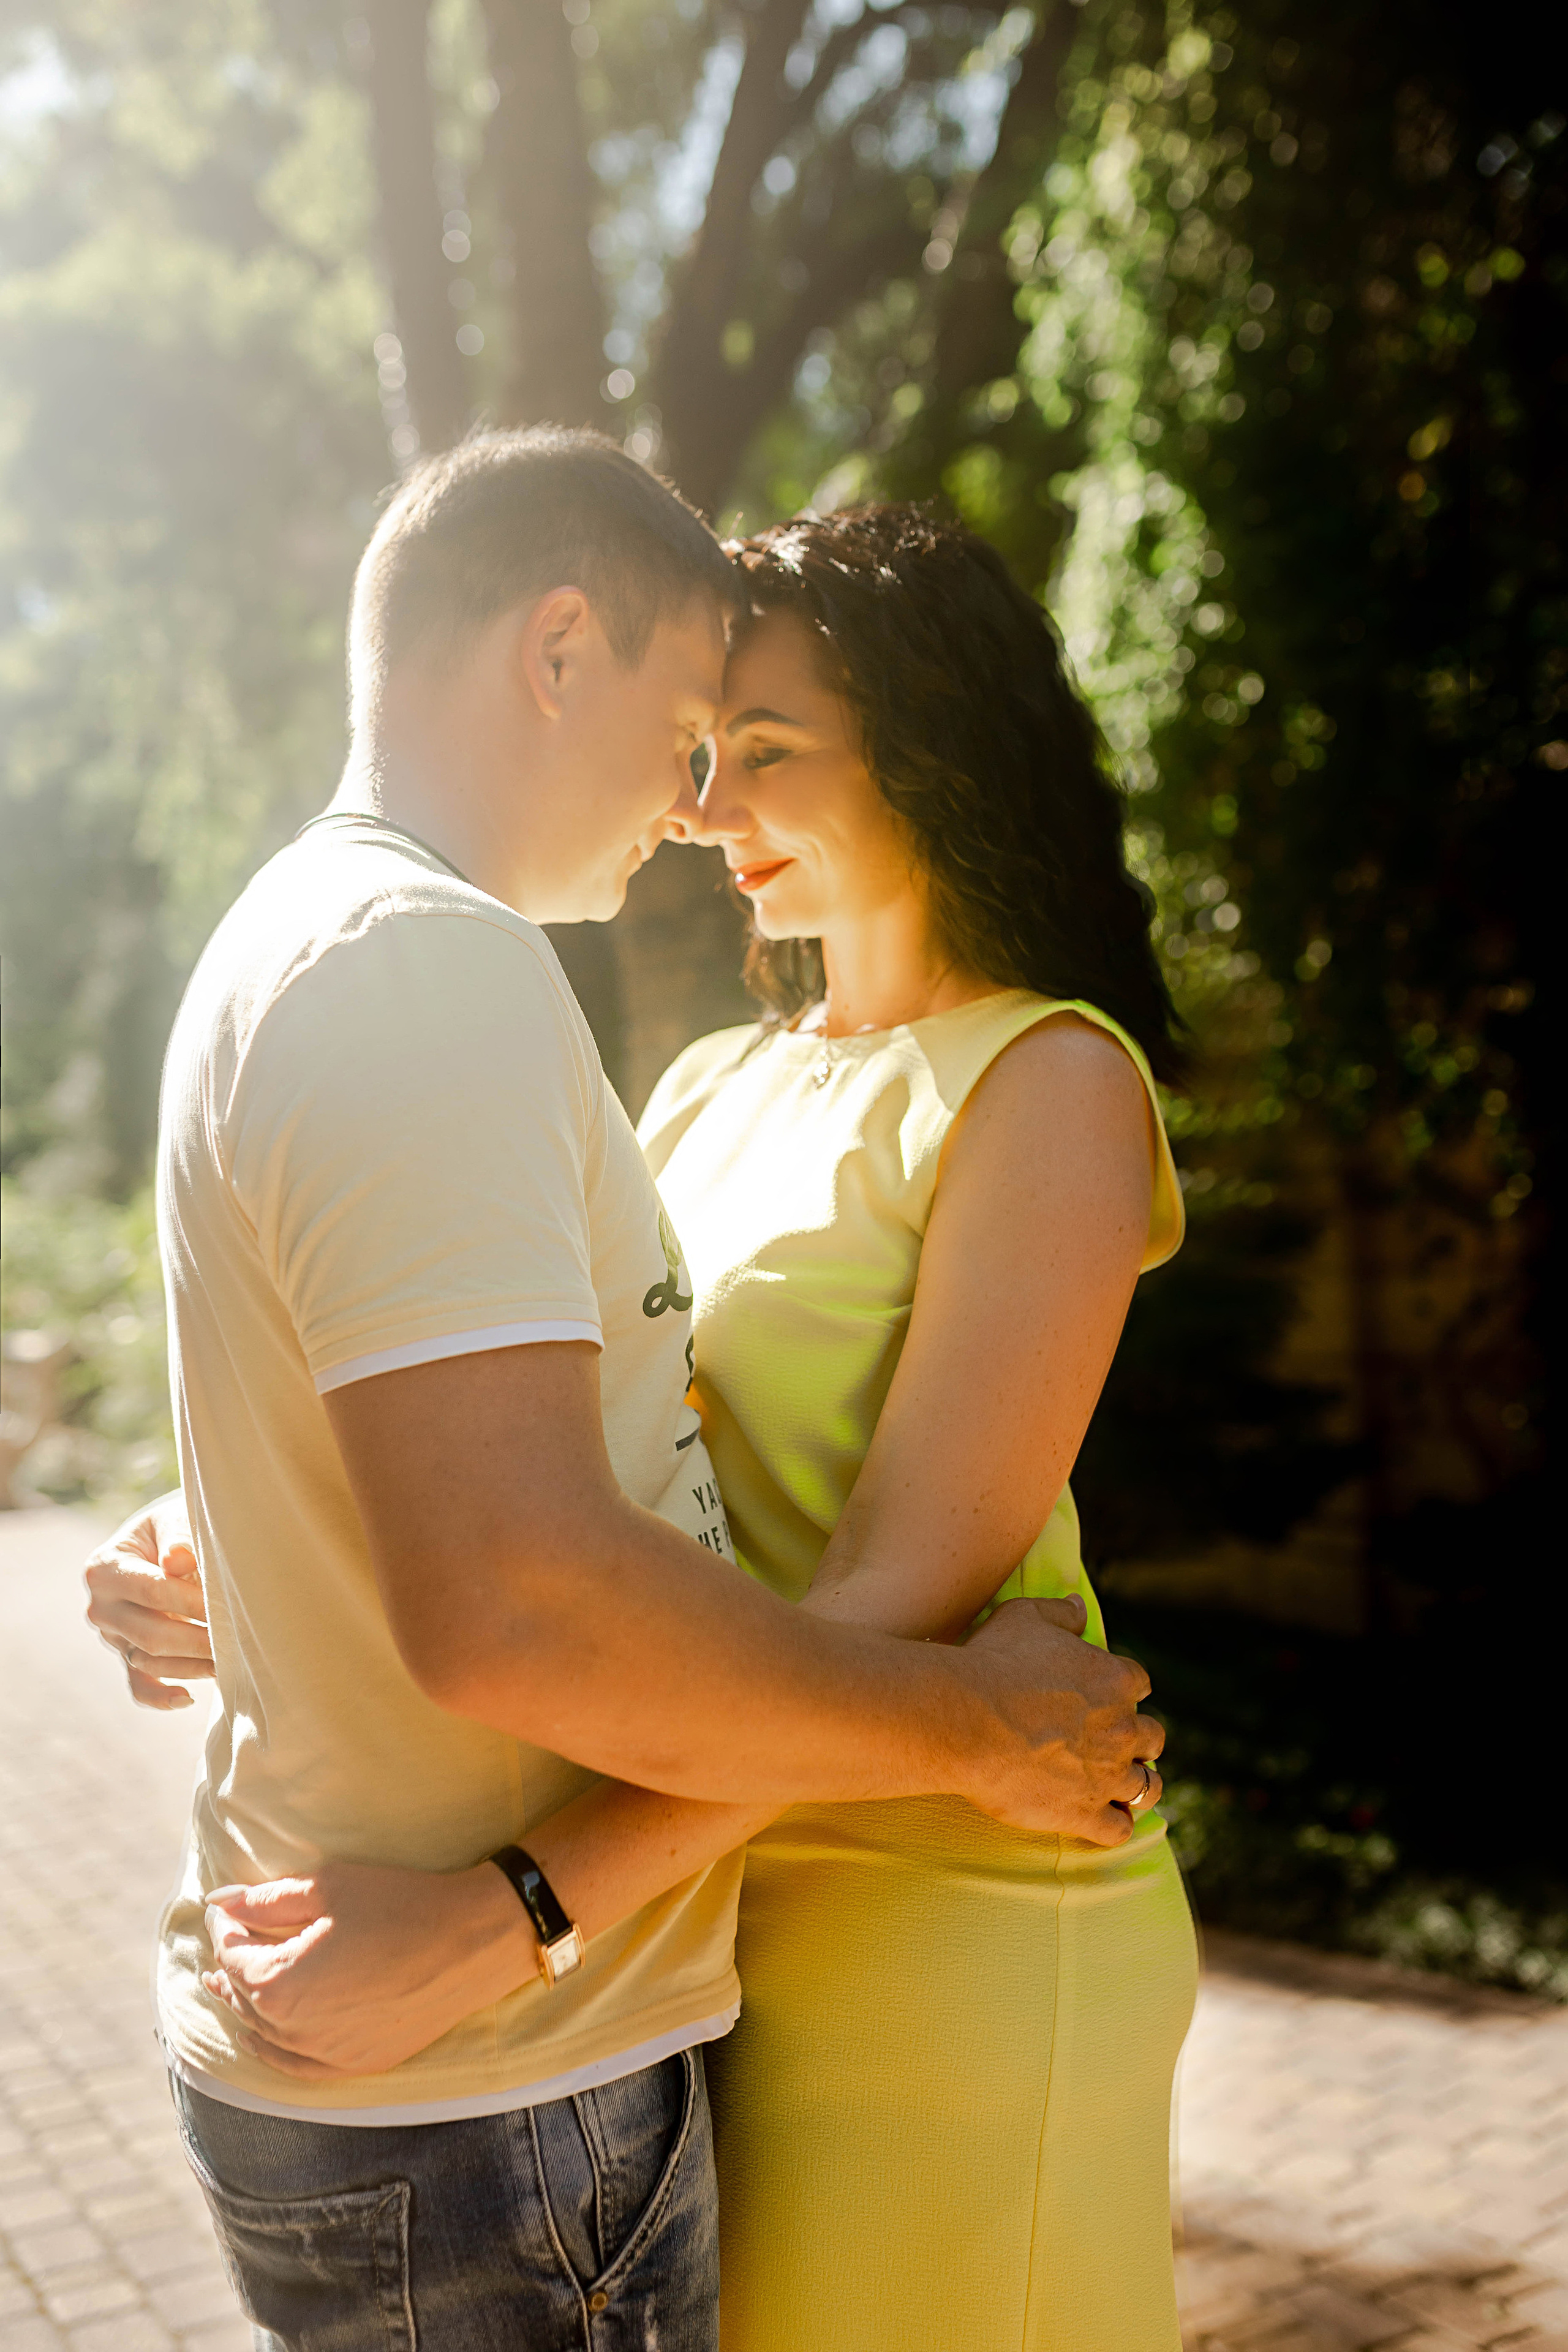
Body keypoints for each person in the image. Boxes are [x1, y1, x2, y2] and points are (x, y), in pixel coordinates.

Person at [85, 442, 1166, 2350]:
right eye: (698, 744)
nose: (700, 807)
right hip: (708, 1924)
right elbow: (569, 1450)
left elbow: (882, 1609)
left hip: (928, 1902)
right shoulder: (698, 1085)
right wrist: (249, 1536)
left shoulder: (1051, 1085)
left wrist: (521, 1907)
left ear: (926, 741)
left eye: (762, 749)